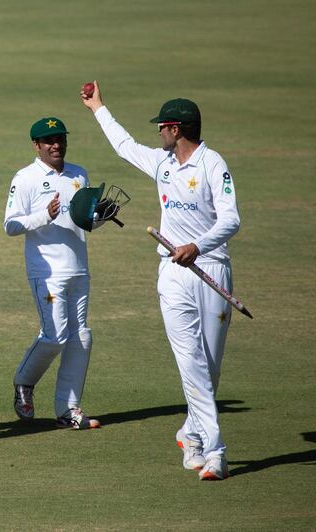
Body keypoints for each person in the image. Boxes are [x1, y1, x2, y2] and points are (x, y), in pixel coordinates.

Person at [81, 81, 240, 480]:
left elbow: (230, 219)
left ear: (178, 129)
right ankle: (215, 451)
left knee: (209, 367)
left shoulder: (212, 164)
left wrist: (197, 247)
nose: (158, 133)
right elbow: (124, 145)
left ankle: (191, 433)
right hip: (172, 273)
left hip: (211, 268)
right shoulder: (162, 163)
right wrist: (98, 107)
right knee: (191, 363)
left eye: (162, 127)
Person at [3, 117, 101, 430]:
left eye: (60, 139)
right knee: (55, 335)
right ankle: (24, 381)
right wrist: (44, 215)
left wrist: (101, 216)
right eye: (48, 141)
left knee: (80, 336)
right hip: (46, 270)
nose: (55, 145)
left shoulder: (78, 174)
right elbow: (11, 225)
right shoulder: (26, 177)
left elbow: (84, 220)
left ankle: (67, 410)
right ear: (37, 145)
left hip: (79, 268)